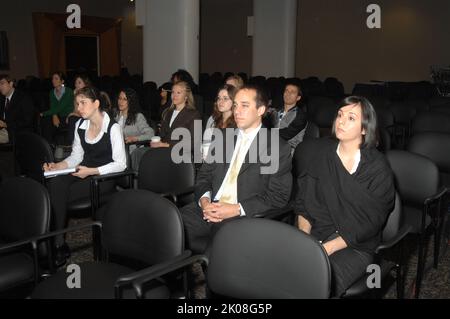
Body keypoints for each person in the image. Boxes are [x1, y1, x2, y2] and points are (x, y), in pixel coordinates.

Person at [294, 96, 395, 297]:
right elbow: (304, 203)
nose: (340, 121)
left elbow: (370, 223)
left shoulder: (377, 168)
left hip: (355, 245)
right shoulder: (321, 154)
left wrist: (328, 248)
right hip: (316, 233)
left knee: (315, 283)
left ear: (365, 128)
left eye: (351, 118)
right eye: (339, 115)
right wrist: (305, 238)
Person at [181, 84, 293, 254]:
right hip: (208, 208)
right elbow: (204, 176)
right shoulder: (222, 138)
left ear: (261, 110)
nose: (237, 111)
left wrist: (235, 209)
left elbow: (278, 196)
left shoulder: (277, 147)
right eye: (235, 105)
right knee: (168, 226)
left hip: (242, 215)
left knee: (219, 245)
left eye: (244, 105)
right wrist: (205, 201)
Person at [43, 86, 126, 264]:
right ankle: (57, 242)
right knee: (55, 183)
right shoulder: (81, 125)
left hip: (103, 177)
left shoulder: (113, 127)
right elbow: (76, 157)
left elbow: (121, 164)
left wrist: (92, 171)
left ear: (96, 104)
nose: (79, 108)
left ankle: (54, 243)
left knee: (60, 194)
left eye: (83, 103)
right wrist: (57, 166)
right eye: (77, 103)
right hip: (83, 171)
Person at [130, 81, 201, 170]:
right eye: (173, 92)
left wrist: (165, 145)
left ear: (186, 96)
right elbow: (162, 135)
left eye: (178, 93)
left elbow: (195, 142)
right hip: (164, 150)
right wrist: (157, 142)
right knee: (138, 153)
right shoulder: (167, 112)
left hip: (180, 152)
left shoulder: (195, 114)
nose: (174, 95)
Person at [114, 88, 154, 153]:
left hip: (131, 152)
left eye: (124, 99)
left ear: (131, 101)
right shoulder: (116, 115)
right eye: (120, 98)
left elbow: (151, 134)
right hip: (116, 149)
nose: (120, 102)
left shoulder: (137, 117)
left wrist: (135, 138)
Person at [202, 84, 237, 159]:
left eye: (225, 98)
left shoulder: (238, 123)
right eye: (219, 98)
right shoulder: (214, 120)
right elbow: (206, 143)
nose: (220, 102)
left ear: (234, 101)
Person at [40, 72, 74, 145]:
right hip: (59, 115)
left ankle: (58, 145)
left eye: (56, 79)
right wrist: (54, 115)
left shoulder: (68, 91)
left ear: (62, 81)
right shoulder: (52, 92)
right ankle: (48, 145)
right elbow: (53, 106)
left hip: (68, 115)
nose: (53, 80)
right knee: (46, 121)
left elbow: (60, 107)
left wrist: (43, 113)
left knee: (46, 118)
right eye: (52, 79)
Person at [274, 81, 308, 153]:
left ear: (298, 98)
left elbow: (286, 134)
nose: (288, 94)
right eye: (286, 91)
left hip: (288, 149)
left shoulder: (301, 116)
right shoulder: (276, 111)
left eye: (292, 92)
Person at [0, 74, 35, 144]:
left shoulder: (23, 98)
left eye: (2, 83)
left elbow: (28, 121)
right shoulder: (2, 99)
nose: (0, 87)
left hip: (18, 132)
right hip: (4, 130)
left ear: (11, 84)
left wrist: (7, 125)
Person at [66, 74, 93, 144]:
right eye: (75, 83)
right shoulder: (76, 95)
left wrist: (72, 114)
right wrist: (75, 97)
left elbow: (88, 113)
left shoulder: (89, 94)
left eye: (79, 83)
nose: (76, 85)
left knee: (72, 119)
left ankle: (73, 143)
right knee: (72, 118)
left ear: (85, 84)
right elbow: (76, 110)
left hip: (90, 118)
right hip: (81, 116)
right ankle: (73, 144)